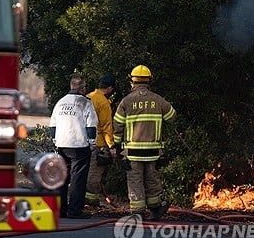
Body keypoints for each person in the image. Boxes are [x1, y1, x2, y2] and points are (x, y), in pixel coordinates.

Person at [113, 65, 176, 220]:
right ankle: (155, 208)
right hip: (153, 150)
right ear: (149, 81)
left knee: (135, 180)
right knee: (152, 178)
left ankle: (138, 211)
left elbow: (117, 125)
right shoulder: (157, 99)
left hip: (133, 151)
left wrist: (116, 146)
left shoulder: (126, 101)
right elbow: (172, 117)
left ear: (132, 81)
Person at [50, 75, 98, 219]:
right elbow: (91, 125)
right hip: (79, 145)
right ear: (83, 89)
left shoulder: (60, 102)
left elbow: (53, 125)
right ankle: (75, 210)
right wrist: (92, 143)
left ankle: (60, 210)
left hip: (61, 145)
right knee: (78, 178)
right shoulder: (85, 103)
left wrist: (55, 140)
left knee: (62, 178)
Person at [85, 74, 117, 207]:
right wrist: (111, 146)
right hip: (98, 144)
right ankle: (90, 200)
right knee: (94, 173)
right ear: (109, 88)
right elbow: (106, 127)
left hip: (82, 142)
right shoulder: (103, 102)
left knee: (84, 172)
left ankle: (83, 198)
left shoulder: (88, 97)